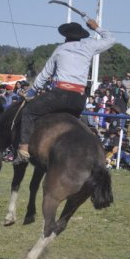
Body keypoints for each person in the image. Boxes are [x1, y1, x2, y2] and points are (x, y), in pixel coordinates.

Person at [13, 19, 116, 164]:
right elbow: (111, 40)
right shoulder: (89, 46)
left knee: (29, 111)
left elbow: (45, 74)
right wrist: (96, 27)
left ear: (65, 36)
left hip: (59, 94)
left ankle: (24, 149)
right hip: (79, 99)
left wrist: (31, 93)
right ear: (81, 36)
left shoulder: (60, 49)